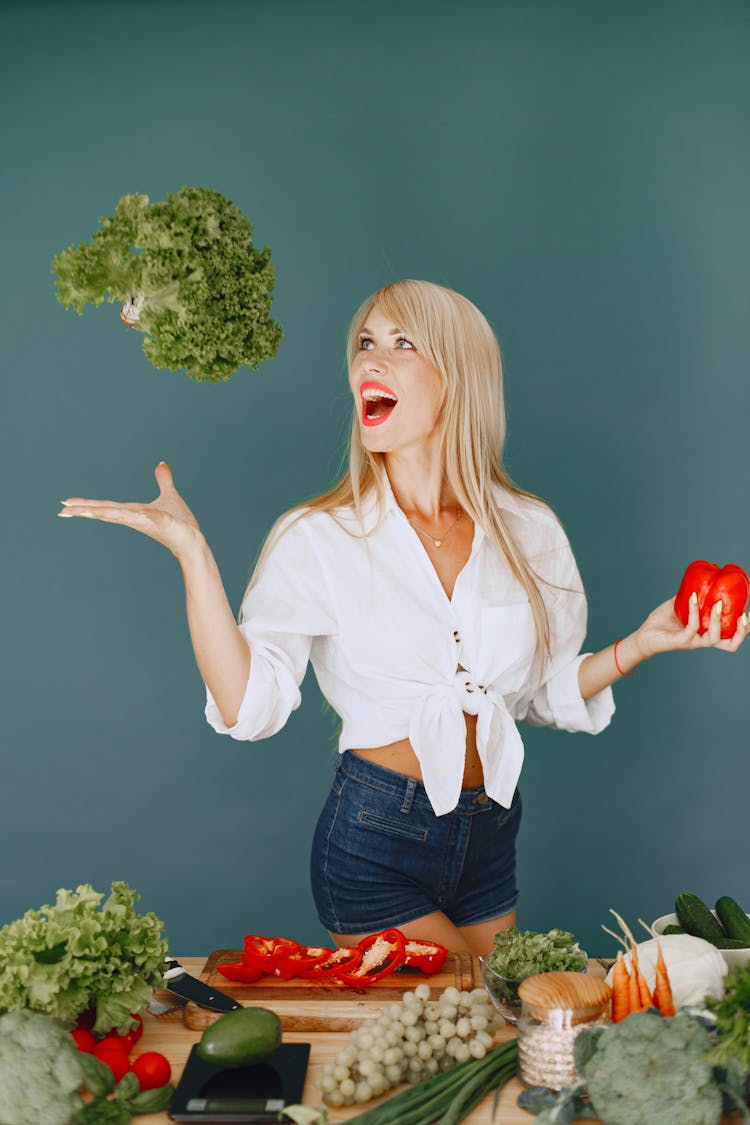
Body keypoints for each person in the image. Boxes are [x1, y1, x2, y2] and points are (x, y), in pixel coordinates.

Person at [59, 280, 748, 957]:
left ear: (457, 377)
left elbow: (541, 693)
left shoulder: (528, 529)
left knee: (498, 1037)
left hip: (490, 833)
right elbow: (248, 705)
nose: (369, 361)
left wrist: (643, 644)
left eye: (400, 343)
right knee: (465, 1018)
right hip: (375, 835)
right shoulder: (319, 535)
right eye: (364, 343)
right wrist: (193, 553)